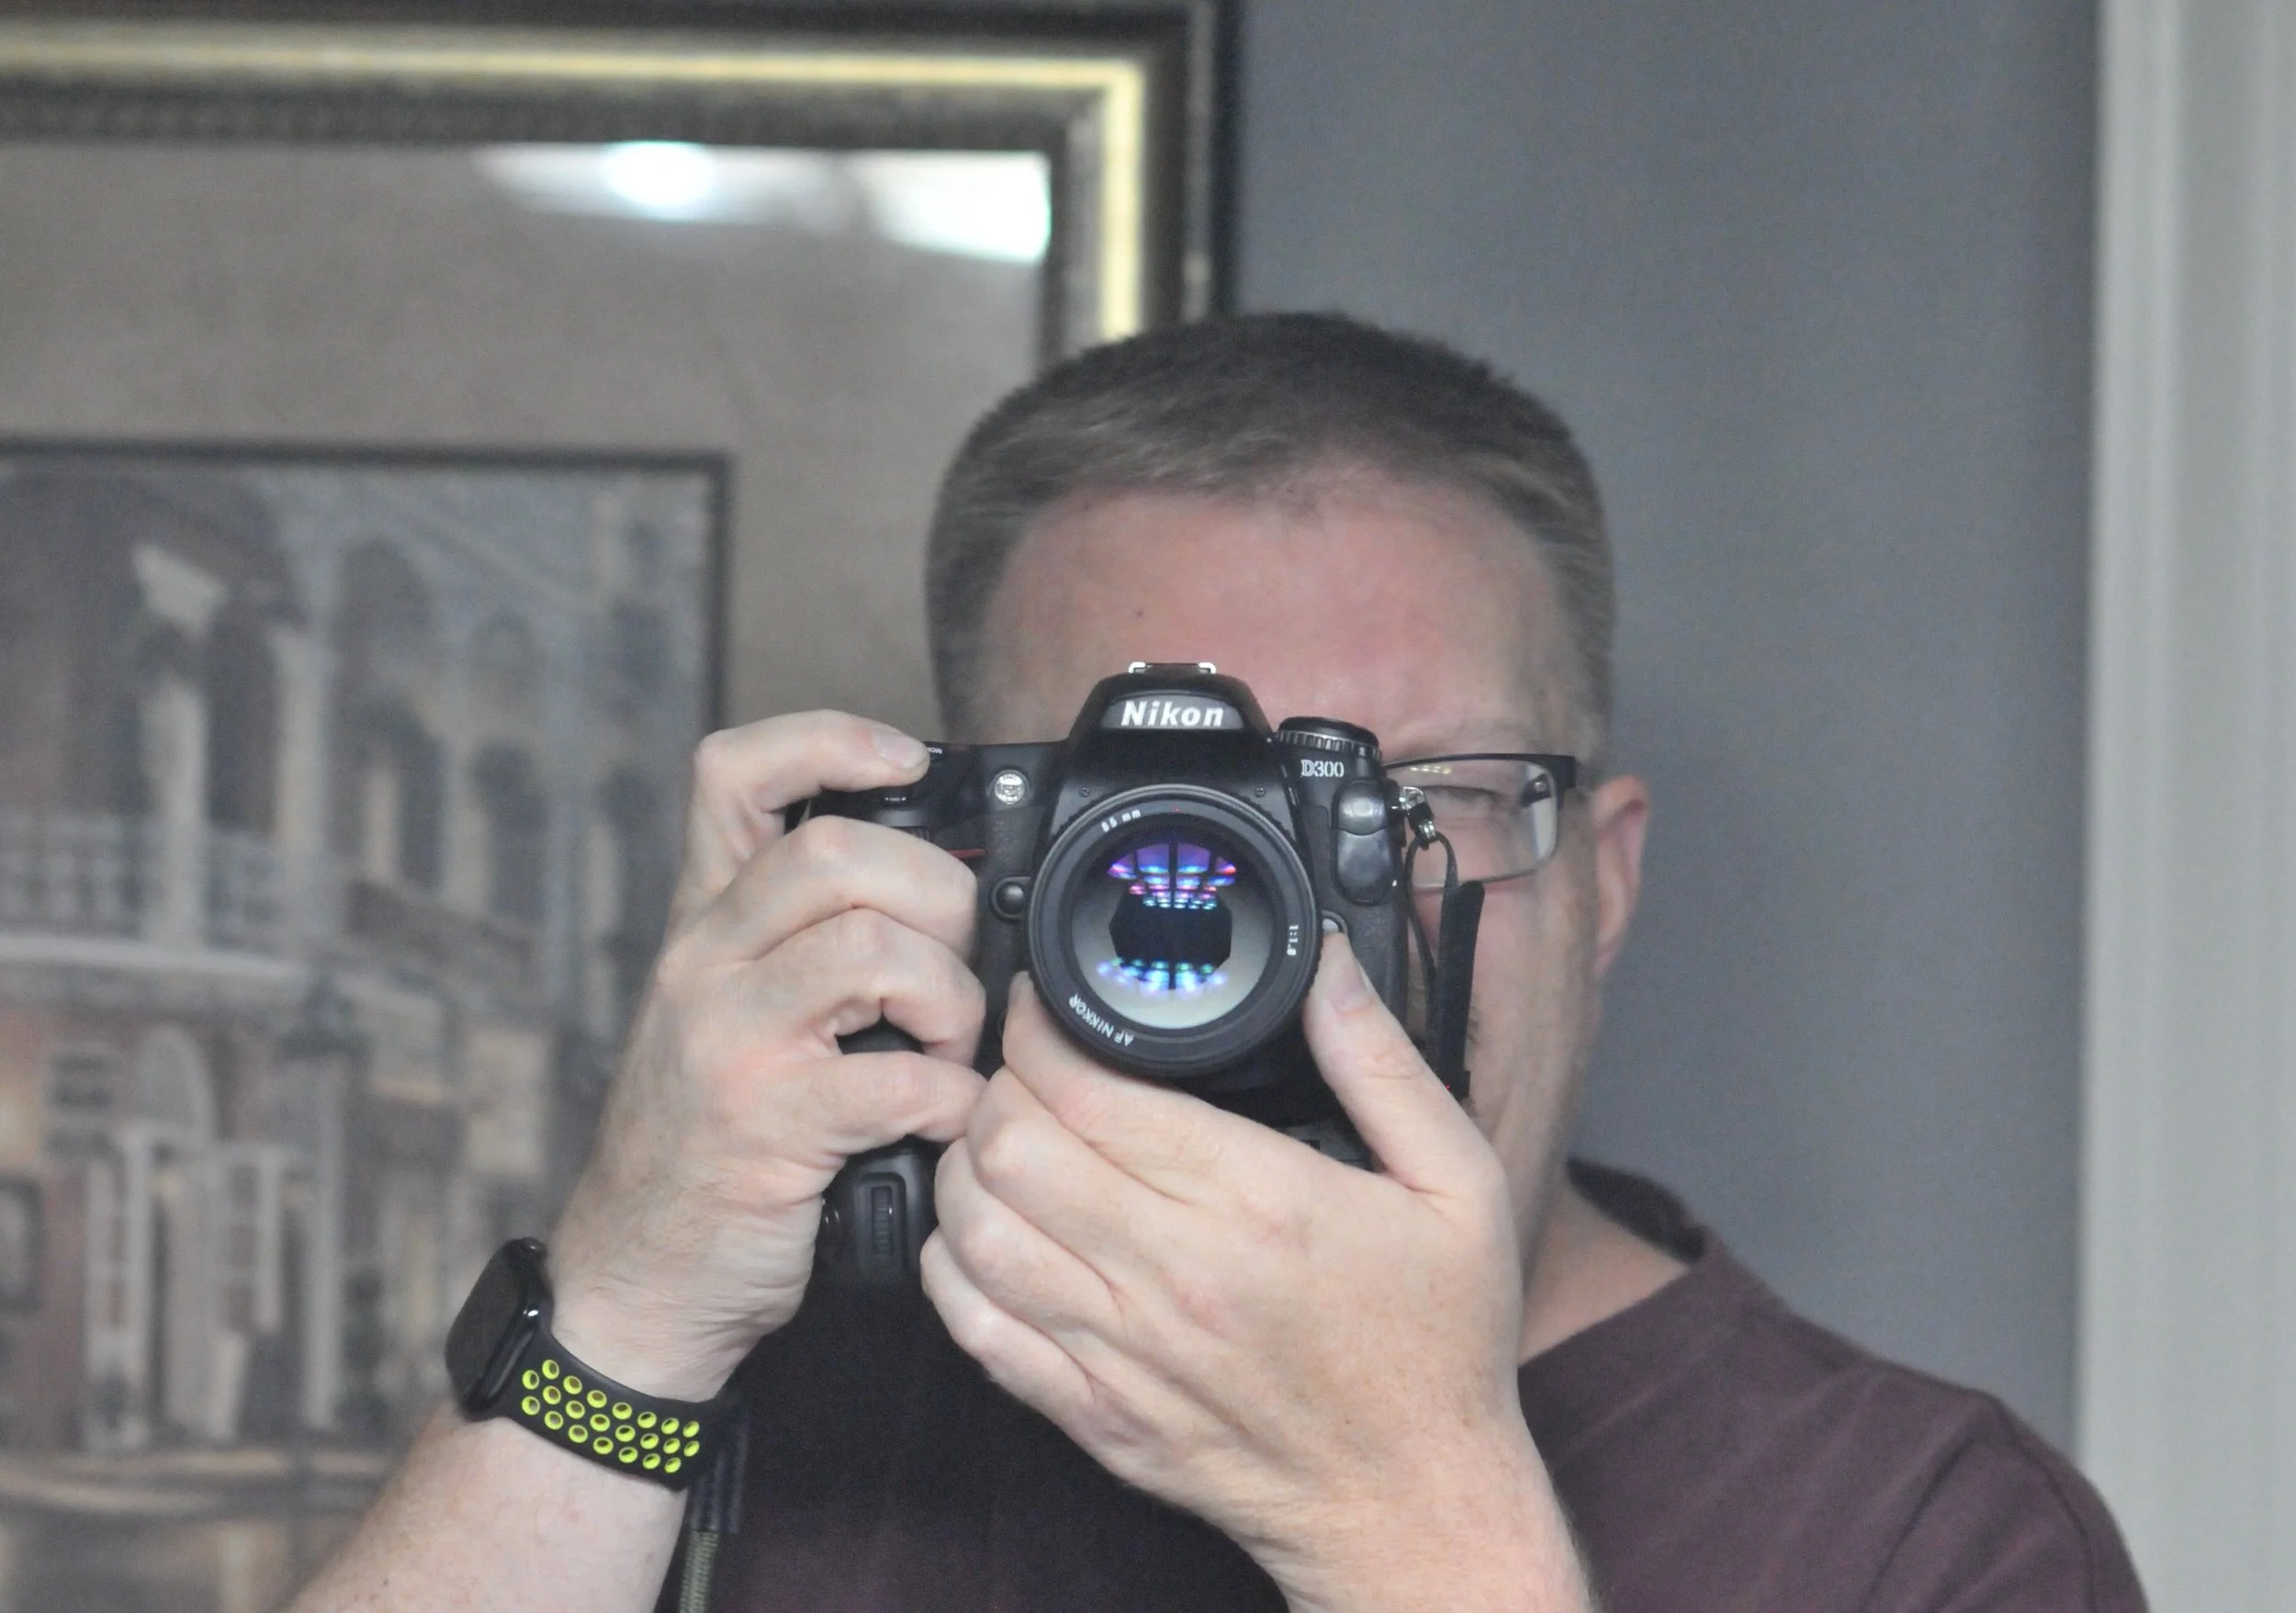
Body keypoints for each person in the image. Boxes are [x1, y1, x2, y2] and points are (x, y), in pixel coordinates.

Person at [296, 314, 2144, 1613]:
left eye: (1412, 804)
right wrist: (625, 1310)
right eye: (1149, 818)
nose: (1266, 918)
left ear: (1602, 881)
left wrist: (1413, 1524)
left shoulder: (1921, 1532)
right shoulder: (786, 1383)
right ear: (960, 858)